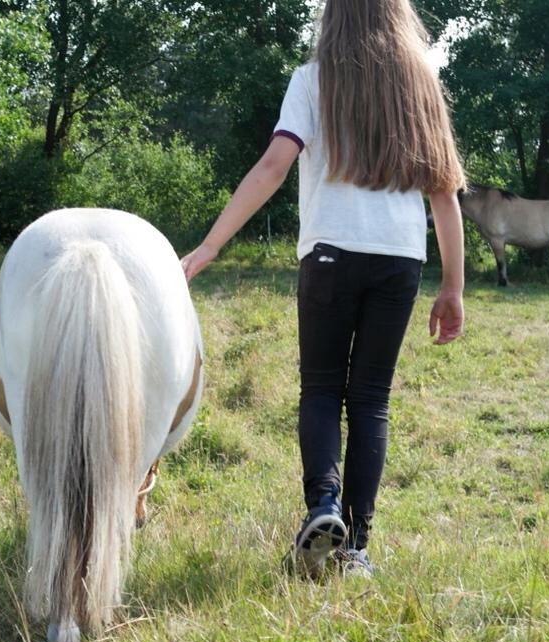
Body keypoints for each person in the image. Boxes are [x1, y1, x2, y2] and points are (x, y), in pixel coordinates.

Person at [180, 0, 466, 579]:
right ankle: (355, 548)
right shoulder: (422, 86)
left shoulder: (312, 81)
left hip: (330, 254)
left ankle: (324, 506)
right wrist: (453, 287)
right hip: (399, 262)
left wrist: (211, 245)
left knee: (320, 389)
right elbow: (444, 194)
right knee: (370, 400)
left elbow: (272, 167)